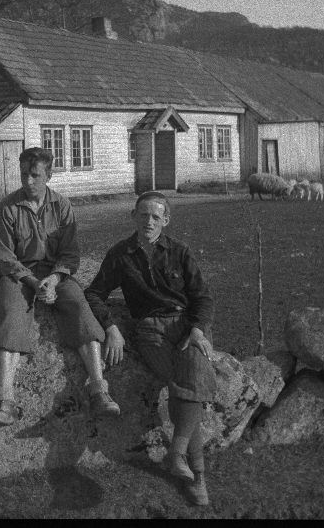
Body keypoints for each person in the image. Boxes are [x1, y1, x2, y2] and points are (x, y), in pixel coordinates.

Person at [83, 191, 218, 506]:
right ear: (133, 217)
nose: (149, 221)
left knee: (188, 385)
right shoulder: (120, 254)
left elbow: (203, 297)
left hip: (188, 328)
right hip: (150, 331)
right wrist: (111, 327)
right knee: (188, 389)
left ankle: (178, 455)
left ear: (166, 220)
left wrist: (198, 329)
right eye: (143, 215)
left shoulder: (180, 252)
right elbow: (94, 293)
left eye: (156, 216)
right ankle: (196, 476)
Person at [0, 147, 120, 428]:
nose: (28, 182)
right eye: (24, 175)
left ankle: (99, 389)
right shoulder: (8, 207)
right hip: (18, 276)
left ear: (50, 174)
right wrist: (33, 283)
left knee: (79, 306)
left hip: (56, 274)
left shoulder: (62, 207)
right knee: (10, 311)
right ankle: (5, 401)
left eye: (35, 175)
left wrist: (55, 279)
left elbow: (70, 254)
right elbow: (6, 257)